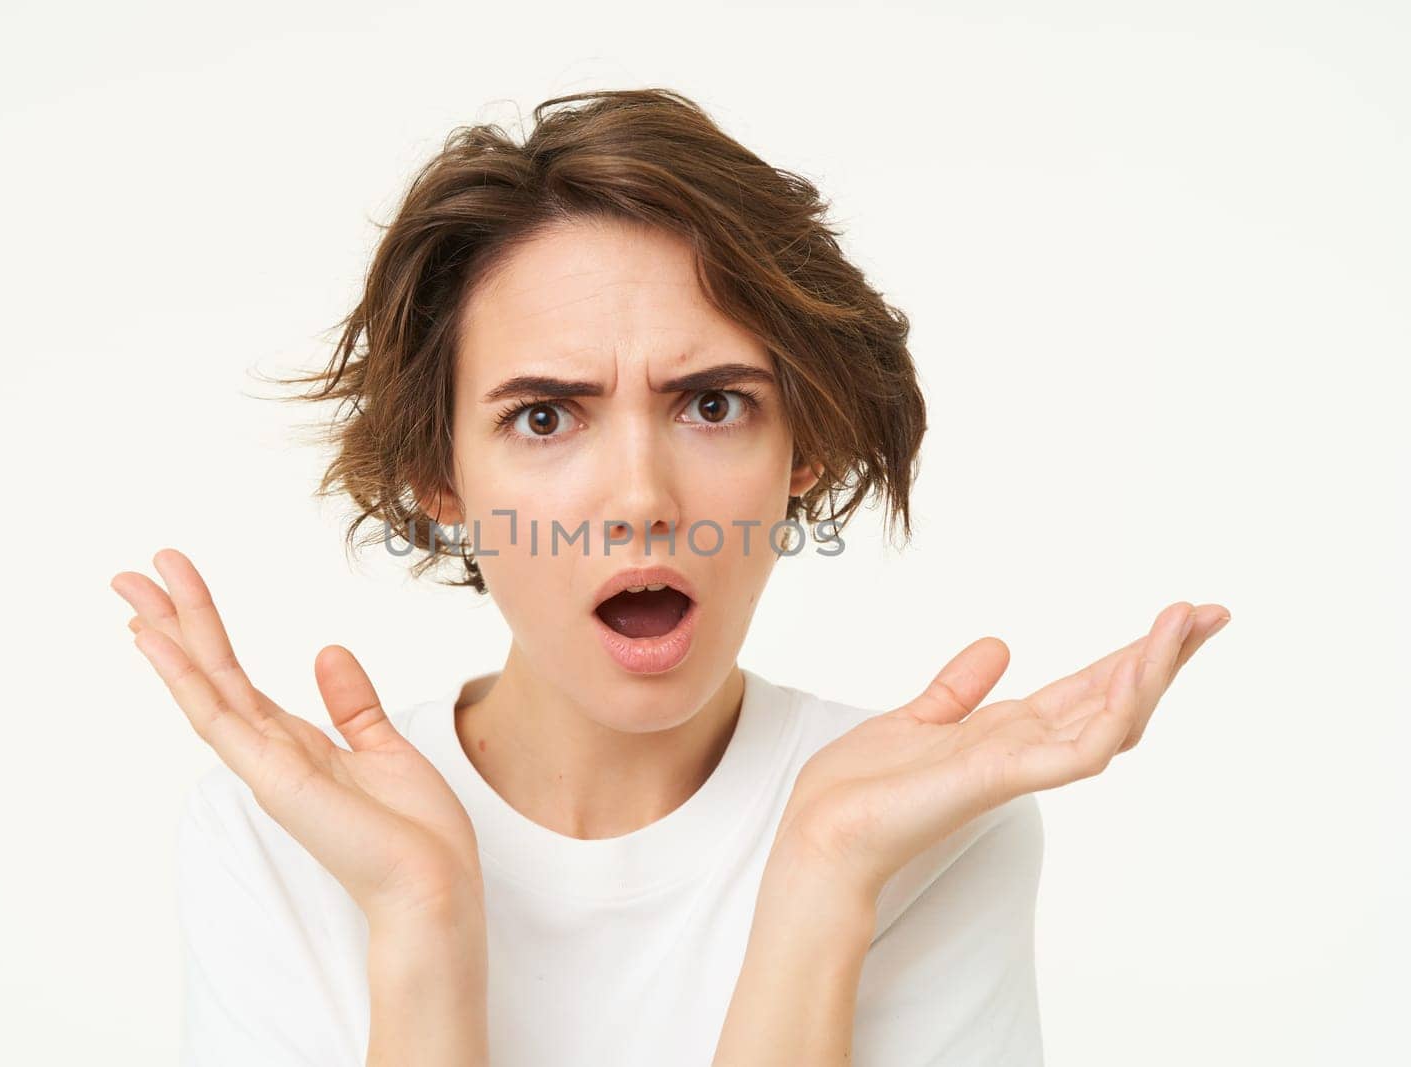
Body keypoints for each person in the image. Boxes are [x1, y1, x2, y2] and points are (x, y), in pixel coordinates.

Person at [109, 88, 1229, 1067]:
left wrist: (823, 880)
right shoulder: (280, 840)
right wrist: (421, 921)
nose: (641, 496)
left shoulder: (925, 827)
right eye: (544, 416)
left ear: (805, 449)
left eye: (711, 403)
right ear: (437, 474)